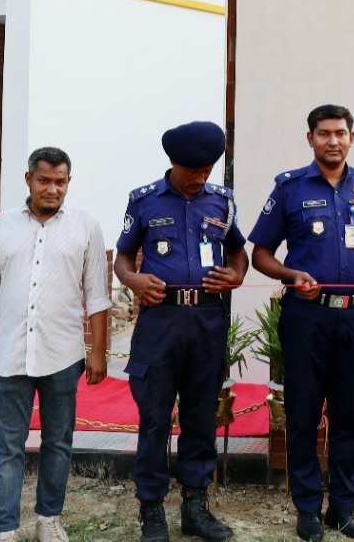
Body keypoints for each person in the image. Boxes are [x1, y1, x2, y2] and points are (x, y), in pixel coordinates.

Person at [248, 105, 354, 542]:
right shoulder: (290, 189)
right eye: (323, 133)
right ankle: (308, 509)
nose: (332, 141)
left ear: (352, 138)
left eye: (340, 133)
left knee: (350, 416)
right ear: (310, 138)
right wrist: (290, 275)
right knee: (303, 415)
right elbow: (260, 253)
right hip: (306, 317)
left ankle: (345, 508)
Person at [0, 147, 110, 542]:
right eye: (44, 180)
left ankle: (48, 518)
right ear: (28, 179)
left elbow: (98, 296)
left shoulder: (86, 227)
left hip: (62, 355)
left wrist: (97, 352)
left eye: (60, 182)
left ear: (69, 182)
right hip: (10, 355)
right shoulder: (1, 226)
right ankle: (5, 529)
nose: (52, 189)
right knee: (7, 446)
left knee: (58, 442)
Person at [115, 122, 248, 542]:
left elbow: (239, 251)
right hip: (161, 324)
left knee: (200, 417)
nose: (200, 177)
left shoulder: (222, 203)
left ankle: (196, 507)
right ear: (173, 163)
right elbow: (122, 258)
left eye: (207, 169)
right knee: (154, 418)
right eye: (193, 170)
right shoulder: (145, 201)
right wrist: (134, 281)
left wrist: (236, 276)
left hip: (207, 322)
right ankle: (152, 511)